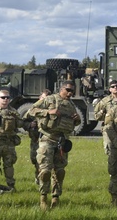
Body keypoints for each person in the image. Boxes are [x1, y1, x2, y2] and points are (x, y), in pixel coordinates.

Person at [28, 80, 80, 210]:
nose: (70, 93)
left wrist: (77, 120)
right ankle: (43, 198)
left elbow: (74, 124)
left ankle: (56, 197)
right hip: (47, 138)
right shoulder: (50, 100)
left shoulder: (71, 105)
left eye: (72, 91)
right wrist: (47, 112)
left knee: (60, 171)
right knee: (45, 171)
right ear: (61, 89)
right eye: (67, 90)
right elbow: (31, 110)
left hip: (62, 141)